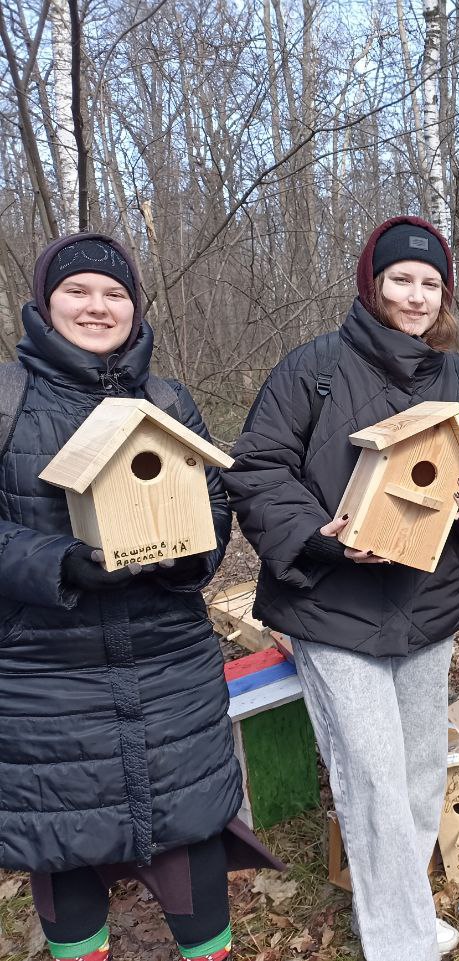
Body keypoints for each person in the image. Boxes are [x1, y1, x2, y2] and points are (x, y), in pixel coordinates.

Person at [225, 217, 459, 961]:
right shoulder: (313, 369)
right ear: (372, 284)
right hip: (331, 605)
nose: (415, 295)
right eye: (401, 279)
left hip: (428, 604)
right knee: (373, 777)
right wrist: (324, 536)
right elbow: (257, 468)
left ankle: (400, 910)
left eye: (430, 283)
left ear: (444, 295)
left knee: (418, 774)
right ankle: (401, 942)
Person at [0, 233, 279, 961]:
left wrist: (192, 549)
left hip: (169, 669)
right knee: (64, 849)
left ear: (135, 306)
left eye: (115, 293)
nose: (98, 306)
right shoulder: (6, 401)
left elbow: (212, 502)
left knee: (192, 839)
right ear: (44, 301)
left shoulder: (166, 398)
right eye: (78, 291)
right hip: (45, 678)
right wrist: (59, 562)